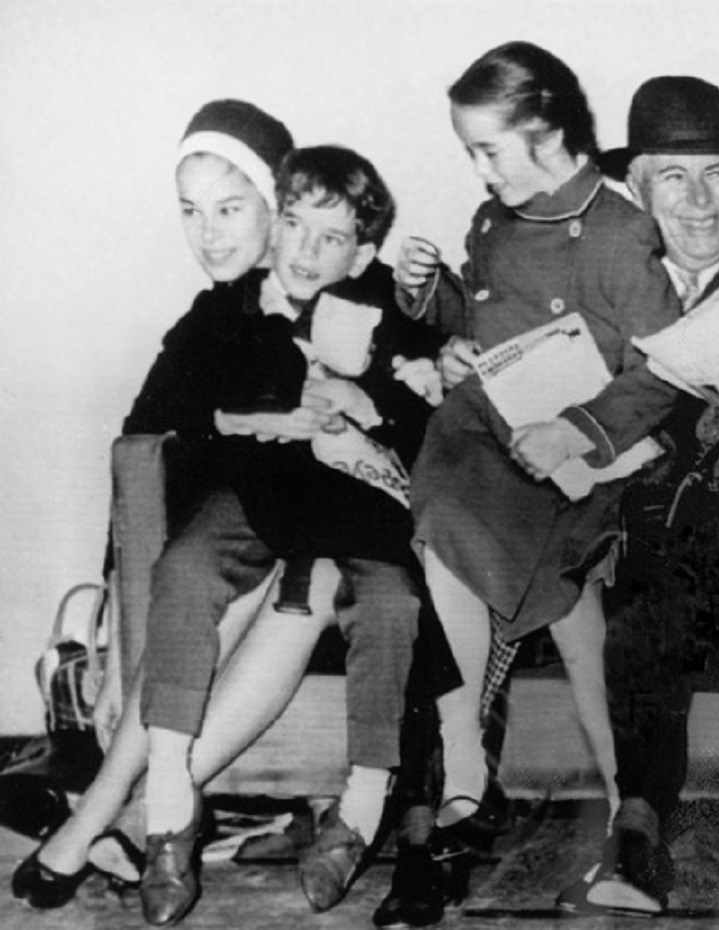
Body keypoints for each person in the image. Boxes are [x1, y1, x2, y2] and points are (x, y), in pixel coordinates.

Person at [10, 98, 312, 918]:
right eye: (190, 211)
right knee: (217, 565)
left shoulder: (326, 292)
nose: (208, 232)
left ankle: (99, 819)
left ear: (279, 204)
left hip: (332, 549)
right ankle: (132, 816)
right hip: (229, 566)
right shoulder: (204, 323)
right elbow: (135, 460)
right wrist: (114, 633)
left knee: (289, 567)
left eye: (229, 207)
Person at [131, 143, 442, 925]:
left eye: (329, 238)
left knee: (393, 600)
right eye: (294, 226)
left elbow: (427, 416)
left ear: (362, 251)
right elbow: (153, 421)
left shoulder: (379, 311)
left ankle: (363, 806)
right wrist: (254, 419)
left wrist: (370, 400)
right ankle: (170, 807)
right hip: (255, 490)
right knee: (186, 567)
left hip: (354, 504)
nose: (303, 252)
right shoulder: (225, 310)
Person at [392, 40, 681, 873]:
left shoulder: (621, 233)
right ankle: (466, 756)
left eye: (489, 149)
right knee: (441, 512)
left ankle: (626, 811)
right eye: (471, 153)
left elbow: (661, 370)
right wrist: (431, 292)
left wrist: (578, 430)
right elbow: (486, 322)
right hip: (491, 432)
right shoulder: (495, 219)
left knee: (580, 610)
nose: (481, 171)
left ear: (547, 127)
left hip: (579, 452)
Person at [549, 74, 719, 918]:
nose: (700, 200)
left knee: (665, 552)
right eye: (673, 178)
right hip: (606, 525)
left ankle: (638, 825)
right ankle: (439, 822)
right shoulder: (599, 279)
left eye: (718, 173)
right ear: (635, 191)